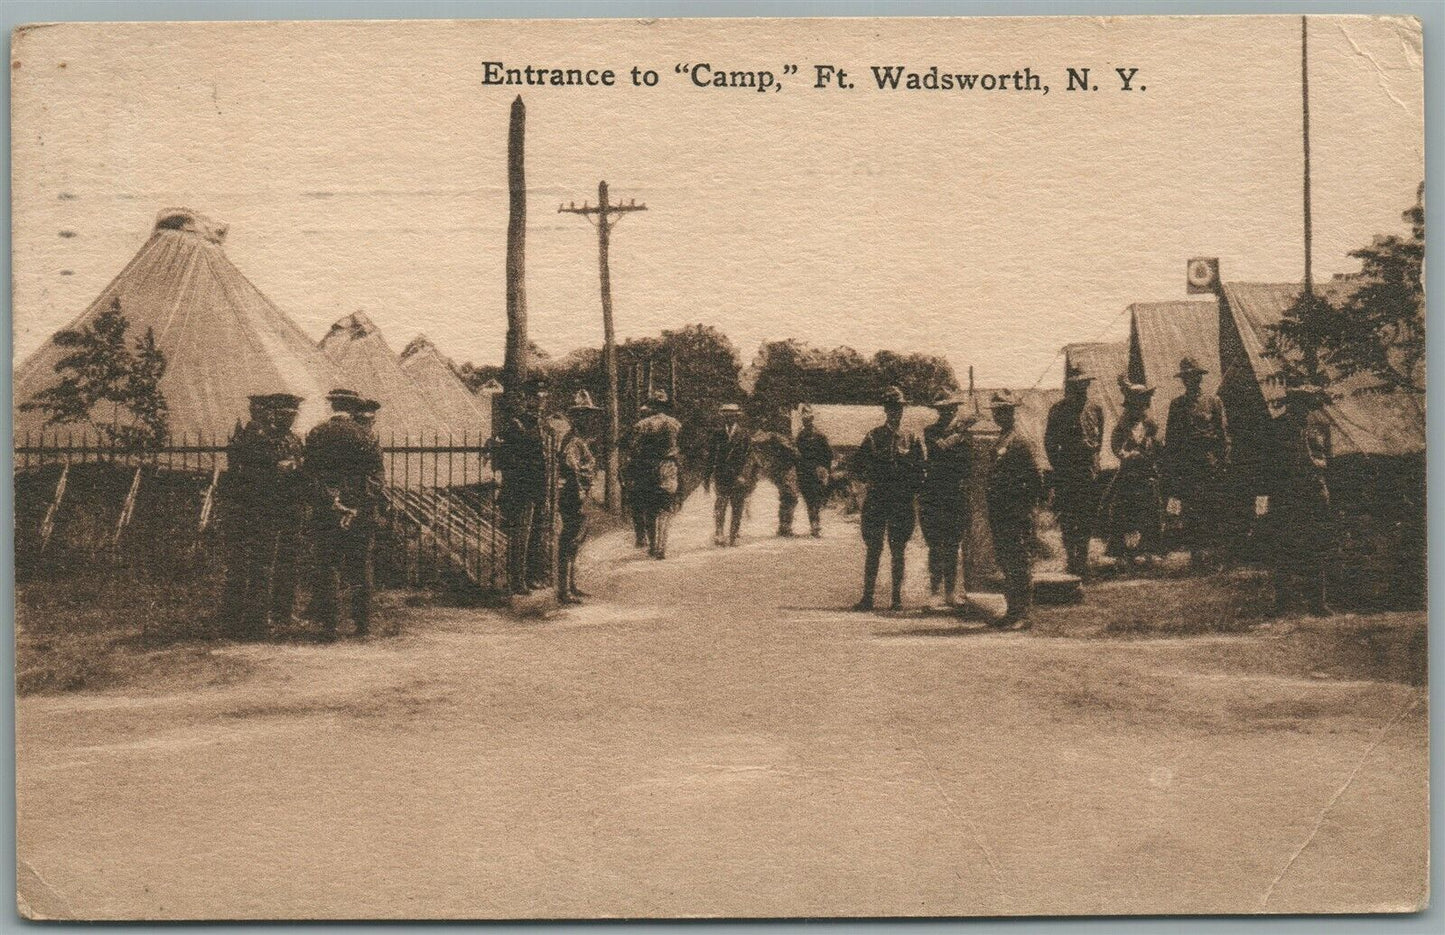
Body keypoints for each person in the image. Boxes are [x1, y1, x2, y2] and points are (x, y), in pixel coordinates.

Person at [218, 392, 306, 639]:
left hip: (290, 508)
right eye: (285, 414)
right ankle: (257, 617)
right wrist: (275, 469)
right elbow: (246, 474)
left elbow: (302, 465)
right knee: (261, 562)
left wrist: (295, 467)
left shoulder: (293, 439)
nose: (290, 419)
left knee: (287, 560)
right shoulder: (259, 439)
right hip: (265, 508)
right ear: (274, 413)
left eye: (293, 415)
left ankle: (282, 612)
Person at [304, 389, 385, 639]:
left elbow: (310, 476)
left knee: (327, 566)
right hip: (360, 513)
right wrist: (356, 506)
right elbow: (376, 478)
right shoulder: (365, 435)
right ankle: (362, 625)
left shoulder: (317, 434)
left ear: (332, 406)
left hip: (326, 511)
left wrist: (333, 501)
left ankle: (329, 627)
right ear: (353, 408)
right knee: (360, 566)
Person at [852, 385, 926, 612]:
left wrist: (912, 490)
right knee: (873, 547)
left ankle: (896, 598)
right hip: (877, 498)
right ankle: (867, 597)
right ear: (886, 410)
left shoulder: (911, 438)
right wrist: (869, 482)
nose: (897, 412)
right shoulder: (874, 436)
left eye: (900, 408)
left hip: (901, 500)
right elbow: (857, 466)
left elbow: (921, 469)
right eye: (892, 408)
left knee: (898, 549)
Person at [1270, 382, 1333, 616]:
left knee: (1316, 546)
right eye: (1299, 405)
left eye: (1307, 405)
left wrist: (1315, 463)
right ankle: (1283, 603)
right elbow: (1267, 466)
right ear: (1291, 405)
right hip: (1287, 494)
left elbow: (1328, 458)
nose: (1304, 411)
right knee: (1284, 548)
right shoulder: (1277, 427)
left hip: (1314, 491)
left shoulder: (1320, 425)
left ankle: (1318, 603)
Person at [1162, 356, 1230, 569]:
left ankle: (1215, 557)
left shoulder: (1213, 402)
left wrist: (1223, 461)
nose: (1191, 381)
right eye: (1187, 378)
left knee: (1213, 509)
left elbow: (1223, 434)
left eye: (1195, 377)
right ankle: (1197, 556)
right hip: (1188, 464)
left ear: (1200, 378)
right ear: (1183, 380)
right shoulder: (1177, 405)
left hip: (1210, 462)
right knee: (1192, 510)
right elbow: (1171, 439)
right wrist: (1173, 468)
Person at [986, 390, 1044, 627]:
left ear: (1012, 413)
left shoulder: (1020, 441)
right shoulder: (1001, 439)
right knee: (1006, 561)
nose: (1000, 415)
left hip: (1016, 512)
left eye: (1004, 411)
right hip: (1001, 511)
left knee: (1020, 562)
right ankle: (1012, 610)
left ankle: (1023, 615)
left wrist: (1026, 507)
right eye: (997, 411)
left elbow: (1037, 478)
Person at [493, 379, 554, 595]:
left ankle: (531, 576)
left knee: (536, 534)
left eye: (543, 398)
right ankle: (517, 580)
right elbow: (509, 459)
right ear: (526, 399)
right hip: (521, 489)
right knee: (521, 535)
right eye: (536, 398)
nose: (540, 402)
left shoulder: (542, 426)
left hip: (537, 488)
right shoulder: (516, 425)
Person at [1045, 363, 1104, 578]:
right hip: (1068, 473)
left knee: (1087, 516)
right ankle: (1071, 559)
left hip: (1088, 473)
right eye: (1077, 384)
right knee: (1069, 517)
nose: (1082, 387)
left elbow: (1099, 440)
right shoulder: (1059, 410)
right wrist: (1060, 466)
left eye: (1085, 383)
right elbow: (1050, 443)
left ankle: (1083, 558)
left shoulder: (1095, 409)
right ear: (1071, 385)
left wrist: (1094, 459)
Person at [920, 390, 977, 607]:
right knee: (935, 545)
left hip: (956, 494)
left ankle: (950, 592)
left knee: (953, 544)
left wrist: (962, 433)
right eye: (941, 409)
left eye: (949, 408)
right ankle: (935, 591)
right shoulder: (931, 431)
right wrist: (959, 435)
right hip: (935, 493)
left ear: (955, 408)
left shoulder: (966, 434)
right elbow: (939, 446)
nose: (945, 412)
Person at [1104, 380, 1164, 565]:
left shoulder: (1150, 423)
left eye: (1142, 402)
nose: (1139, 406)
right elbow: (1115, 443)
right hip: (1129, 473)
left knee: (1150, 510)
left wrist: (1150, 452)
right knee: (1121, 509)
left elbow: (1158, 443)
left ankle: (1148, 549)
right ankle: (1121, 550)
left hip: (1146, 472)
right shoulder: (1123, 424)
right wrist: (1125, 454)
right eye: (1135, 402)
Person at [556, 391, 601, 604]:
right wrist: (582, 484)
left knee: (576, 540)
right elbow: (570, 466)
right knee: (570, 540)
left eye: (589, 415)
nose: (589, 419)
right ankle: (564, 590)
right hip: (573, 494)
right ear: (576, 418)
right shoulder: (573, 441)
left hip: (579, 493)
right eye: (584, 415)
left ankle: (571, 585)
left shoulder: (580, 440)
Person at [629, 389, 683, 559]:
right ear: (665, 406)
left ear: (652, 406)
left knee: (651, 509)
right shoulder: (675, 424)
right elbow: (681, 448)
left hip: (647, 469)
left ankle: (653, 546)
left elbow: (633, 447)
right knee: (665, 509)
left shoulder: (641, 425)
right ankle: (661, 547)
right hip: (668, 468)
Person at [704, 402, 753, 546]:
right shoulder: (717, 434)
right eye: (726, 416)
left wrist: (744, 475)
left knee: (737, 506)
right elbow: (710, 457)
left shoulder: (744, 435)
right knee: (720, 505)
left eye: (732, 416)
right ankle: (719, 533)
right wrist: (707, 478)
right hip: (722, 476)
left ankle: (733, 535)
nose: (729, 418)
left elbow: (749, 458)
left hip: (738, 477)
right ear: (723, 417)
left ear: (737, 417)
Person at [793, 405, 834, 537]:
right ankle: (814, 525)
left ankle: (815, 524)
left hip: (817, 472)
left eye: (809, 419)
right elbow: (797, 453)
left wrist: (824, 470)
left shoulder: (820, 435)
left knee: (816, 498)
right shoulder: (800, 436)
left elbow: (829, 454)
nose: (807, 422)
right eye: (805, 420)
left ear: (812, 419)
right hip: (804, 472)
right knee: (809, 499)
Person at [623, 400, 652, 548]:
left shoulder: (652, 431)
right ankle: (641, 536)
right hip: (636, 472)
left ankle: (648, 535)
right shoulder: (634, 430)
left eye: (646, 414)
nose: (644, 416)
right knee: (637, 506)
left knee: (647, 505)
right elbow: (622, 444)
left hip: (648, 471)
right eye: (643, 414)